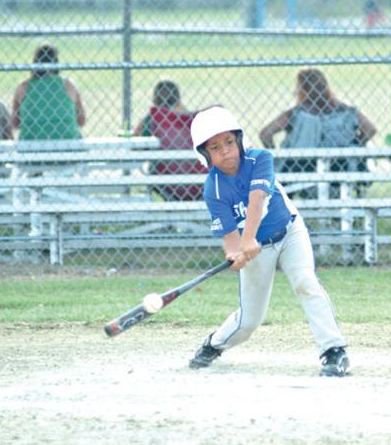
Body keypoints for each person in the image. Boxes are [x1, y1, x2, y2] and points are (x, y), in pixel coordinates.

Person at [187, 106, 349, 377]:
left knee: (305, 282)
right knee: (248, 321)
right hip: (257, 251)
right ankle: (213, 344)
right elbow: (230, 238)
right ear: (206, 156)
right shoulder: (213, 189)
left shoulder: (260, 158)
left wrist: (248, 239)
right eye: (215, 147)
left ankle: (334, 351)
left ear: (239, 140)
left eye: (229, 141)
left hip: (289, 232)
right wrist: (235, 255)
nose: (225, 150)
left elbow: (257, 199)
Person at [259, 68, 376, 196]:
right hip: (341, 167)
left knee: (285, 164)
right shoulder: (346, 111)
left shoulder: (296, 114)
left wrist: (277, 156)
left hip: (301, 169)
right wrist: (356, 142)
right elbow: (370, 129)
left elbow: (266, 134)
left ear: (302, 89)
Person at [132, 80, 206, 201]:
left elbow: (135, 145)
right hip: (197, 183)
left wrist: (145, 119)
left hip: (164, 184)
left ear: (155, 100)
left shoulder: (154, 119)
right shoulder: (191, 119)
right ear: (178, 99)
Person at [12, 44, 86, 140]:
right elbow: (81, 121)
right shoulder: (68, 85)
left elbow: (15, 123)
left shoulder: (23, 87)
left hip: (31, 143)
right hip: (67, 141)